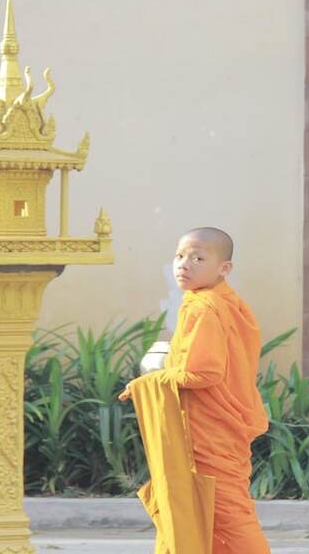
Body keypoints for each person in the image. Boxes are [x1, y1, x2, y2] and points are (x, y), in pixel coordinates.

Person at [120, 227, 270, 554]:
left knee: (228, 514)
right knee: (213, 510)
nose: (184, 264)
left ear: (224, 268)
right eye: (180, 256)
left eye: (198, 258)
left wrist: (147, 382)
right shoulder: (228, 302)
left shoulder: (205, 307)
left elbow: (203, 372)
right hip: (222, 424)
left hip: (211, 429)